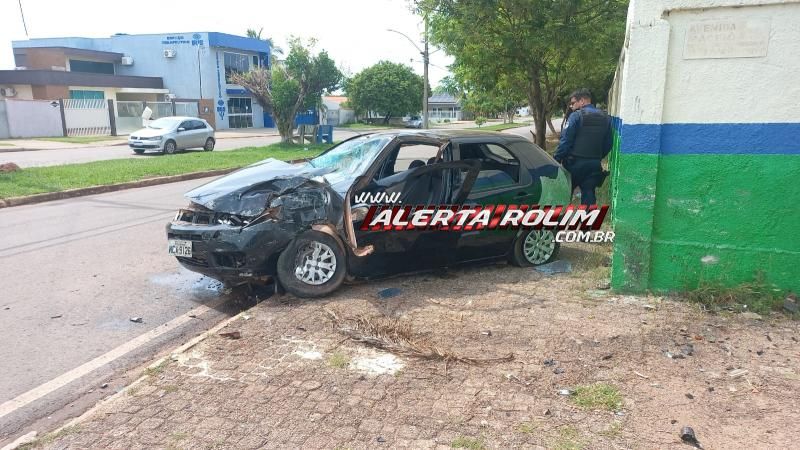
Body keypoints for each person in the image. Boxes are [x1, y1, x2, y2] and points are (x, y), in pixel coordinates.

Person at [554, 88, 613, 206]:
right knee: (588, 192)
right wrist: (598, 156)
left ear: (582, 101)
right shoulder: (605, 117)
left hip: (574, 164)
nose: (571, 106)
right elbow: (609, 143)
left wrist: (556, 159)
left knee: (565, 192)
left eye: (573, 103)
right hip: (594, 164)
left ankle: (559, 219)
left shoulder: (576, 116)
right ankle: (587, 222)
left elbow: (565, 141)